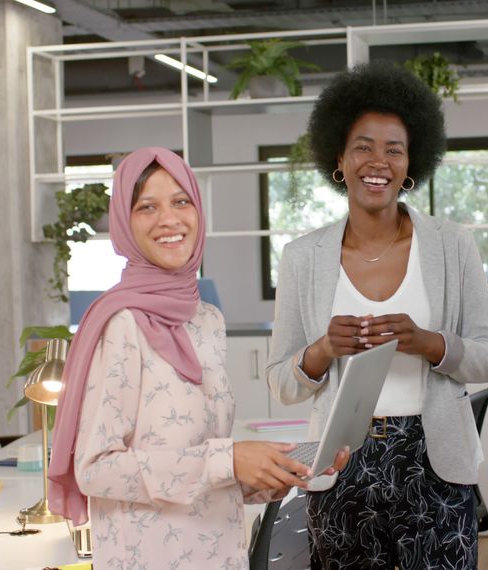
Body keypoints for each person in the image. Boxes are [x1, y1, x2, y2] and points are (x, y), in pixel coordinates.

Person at [47, 147, 347, 569]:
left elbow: (204, 472)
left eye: (181, 201)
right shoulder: (121, 325)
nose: (169, 219)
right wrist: (229, 459)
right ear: (124, 223)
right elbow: (95, 470)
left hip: (219, 553)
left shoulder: (206, 319)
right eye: (147, 207)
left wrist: (273, 474)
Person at [264, 62, 488, 569]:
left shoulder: (453, 245)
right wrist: (323, 350)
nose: (378, 162)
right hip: (339, 464)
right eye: (363, 147)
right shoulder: (302, 257)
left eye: (394, 149)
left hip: (436, 464)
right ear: (339, 158)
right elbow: (281, 384)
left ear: (411, 162)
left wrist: (430, 343)